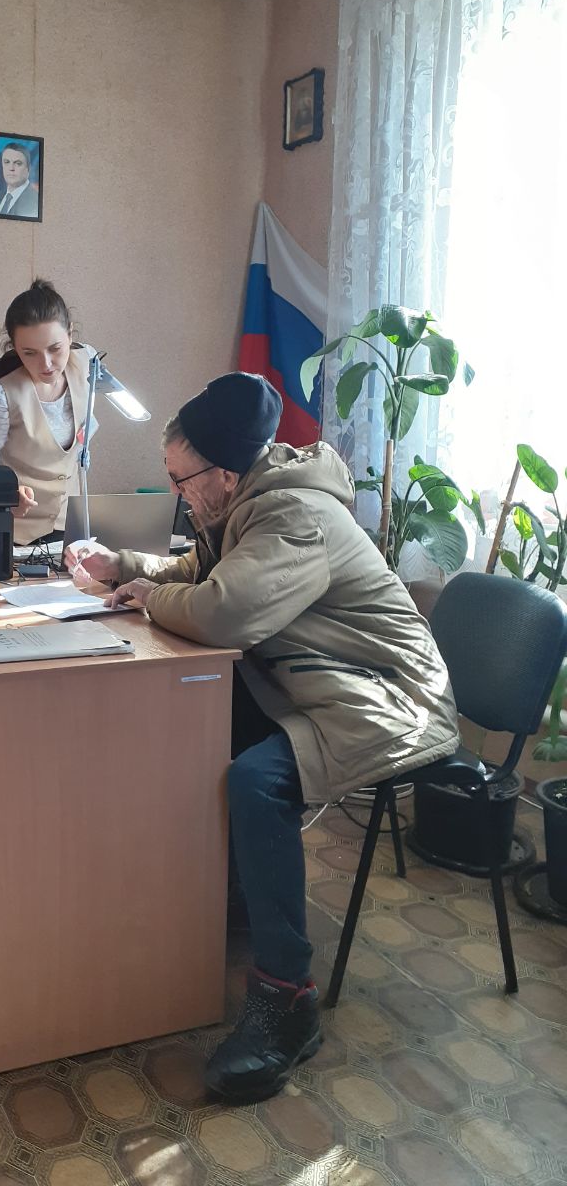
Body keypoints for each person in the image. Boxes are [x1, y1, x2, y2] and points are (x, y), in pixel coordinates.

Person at [67, 372, 460, 1104]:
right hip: (317, 685)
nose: (178, 494)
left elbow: (225, 613)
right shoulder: (245, 502)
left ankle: (287, 1001)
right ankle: (231, 897)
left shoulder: (292, 515)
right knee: (193, 725)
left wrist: (152, 597)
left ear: (222, 473)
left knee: (256, 778)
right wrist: (124, 567)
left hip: (386, 698)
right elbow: (200, 574)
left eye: (181, 480)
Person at [0, 279, 96, 546]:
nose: (46, 364)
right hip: (14, 532)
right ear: (14, 347)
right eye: (29, 353)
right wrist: (5, 495)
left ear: (70, 334)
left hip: (69, 524)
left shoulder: (87, 363)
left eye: (55, 348)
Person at [0, 143, 39, 217]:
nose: (11, 168)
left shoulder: (35, 200)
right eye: (6, 162)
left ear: (28, 168)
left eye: (18, 163)